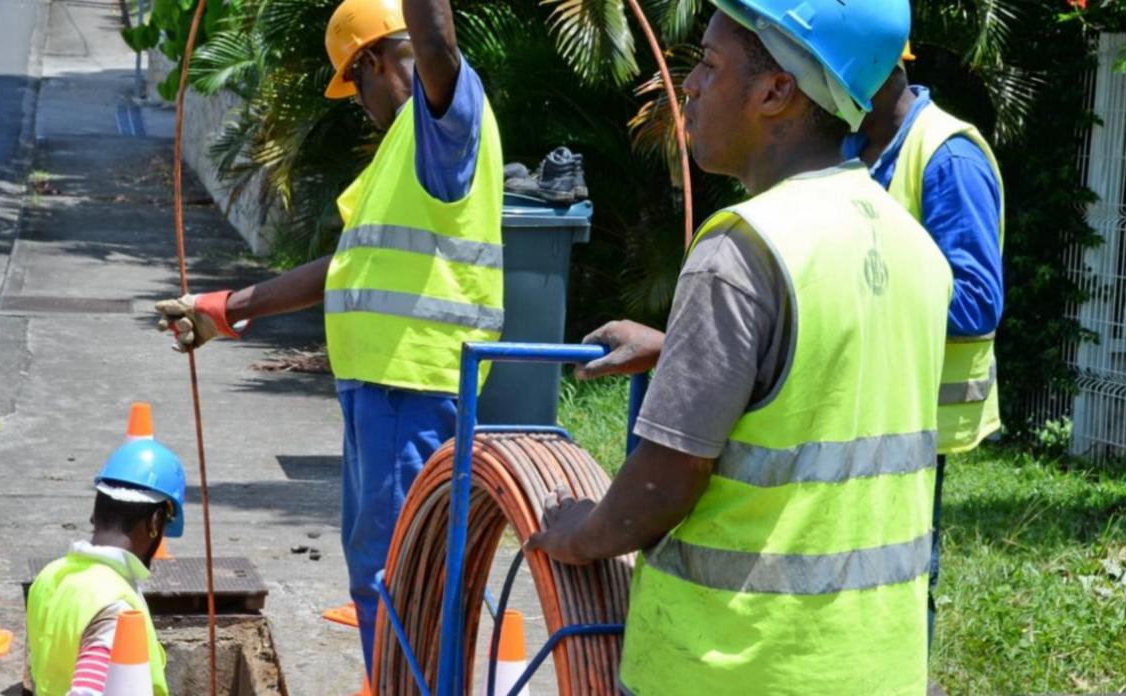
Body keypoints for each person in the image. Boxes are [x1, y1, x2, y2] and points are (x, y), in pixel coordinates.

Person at [526, 0, 949, 693]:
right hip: (878, 668)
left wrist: (578, 532)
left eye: (710, 65)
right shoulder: (908, 243)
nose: (689, 86)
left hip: (730, 666)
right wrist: (679, 347)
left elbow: (661, 487)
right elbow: (822, 390)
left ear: (775, 91)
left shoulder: (745, 246)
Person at [150, 0, 504, 680]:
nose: (358, 106)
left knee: (400, 578)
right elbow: (347, 267)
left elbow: (434, 41)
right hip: (381, 391)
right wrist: (227, 308)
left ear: (371, 62)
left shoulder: (445, 121)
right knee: (377, 570)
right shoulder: (401, 151)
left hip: (412, 387)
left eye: (353, 87)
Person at [847, 47, 1006, 649]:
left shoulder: (947, 157)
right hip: (859, 407)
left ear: (884, 72)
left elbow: (974, 303)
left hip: (916, 416)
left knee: (901, 577)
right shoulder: (851, 151)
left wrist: (847, 304)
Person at [26, 438, 186, 696]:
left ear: (95, 513)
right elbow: (87, 690)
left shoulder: (50, 577)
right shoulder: (114, 607)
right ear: (155, 522)